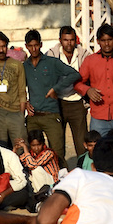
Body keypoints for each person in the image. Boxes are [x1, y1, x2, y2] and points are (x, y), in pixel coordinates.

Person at [23, 29, 79, 160]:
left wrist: (56, 88)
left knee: (57, 153)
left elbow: (75, 74)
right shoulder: (24, 66)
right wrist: (25, 102)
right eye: (30, 46)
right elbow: (19, 87)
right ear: (26, 47)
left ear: (41, 44)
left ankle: (61, 178)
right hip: (33, 116)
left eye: (36, 45)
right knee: (34, 153)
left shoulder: (52, 62)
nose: (34, 48)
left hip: (51, 115)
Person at [76, 24, 113, 141]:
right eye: (103, 40)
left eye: (110, 40)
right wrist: (88, 90)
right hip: (98, 114)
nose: (107, 44)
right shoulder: (90, 61)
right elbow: (77, 83)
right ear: (98, 41)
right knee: (97, 151)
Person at [48, 26, 89, 158]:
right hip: (57, 103)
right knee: (57, 144)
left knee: (82, 144)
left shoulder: (84, 54)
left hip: (77, 102)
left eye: (71, 40)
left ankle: (84, 173)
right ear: (60, 40)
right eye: (66, 40)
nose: (69, 43)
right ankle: (59, 174)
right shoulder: (51, 55)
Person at [0, 32, 27, 147]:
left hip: (15, 111)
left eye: (3, 46)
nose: (1, 50)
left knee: (20, 148)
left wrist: (21, 115)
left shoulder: (17, 65)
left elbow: (22, 91)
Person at [14, 130, 60, 211]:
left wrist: (25, 148)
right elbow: (14, 162)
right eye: (33, 145)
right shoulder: (30, 154)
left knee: (36, 170)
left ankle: (42, 197)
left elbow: (33, 165)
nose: (36, 148)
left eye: (38, 145)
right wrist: (15, 149)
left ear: (43, 143)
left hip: (51, 184)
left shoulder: (48, 153)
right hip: (39, 183)